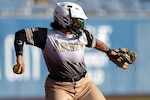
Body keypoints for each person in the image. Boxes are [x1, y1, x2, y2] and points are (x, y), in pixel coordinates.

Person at [14, 2, 116, 100]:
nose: (80, 24)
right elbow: (20, 35)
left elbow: (97, 43)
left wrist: (109, 52)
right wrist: (19, 57)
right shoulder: (46, 36)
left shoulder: (82, 35)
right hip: (58, 87)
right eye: (76, 21)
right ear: (64, 19)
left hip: (85, 85)